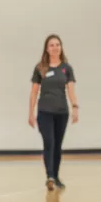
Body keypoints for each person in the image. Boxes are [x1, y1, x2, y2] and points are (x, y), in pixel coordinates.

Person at [28, 34, 78, 190]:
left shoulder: (66, 68)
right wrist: (31, 113)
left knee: (57, 145)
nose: (55, 47)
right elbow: (34, 92)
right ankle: (49, 176)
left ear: (61, 48)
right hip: (45, 112)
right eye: (52, 45)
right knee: (49, 143)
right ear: (47, 49)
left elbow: (71, 89)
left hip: (62, 112)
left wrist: (75, 107)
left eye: (57, 44)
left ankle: (55, 176)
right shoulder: (40, 68)